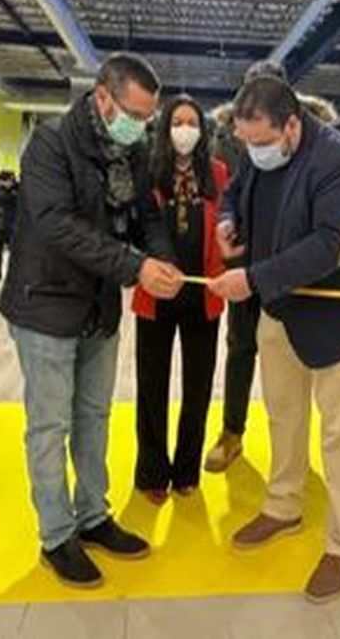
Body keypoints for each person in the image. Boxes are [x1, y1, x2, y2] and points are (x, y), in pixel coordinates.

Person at [0, 54, 186, 590]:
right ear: (103, 98)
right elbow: (58, 224)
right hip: (46, 304)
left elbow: (148, 214)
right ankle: (57, 534)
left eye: (148, 119)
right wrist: (136, 267)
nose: (141, 126)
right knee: (50, 425)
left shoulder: (133, 145)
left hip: (100, 304)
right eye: (134, 113)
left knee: (94, 416)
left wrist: (162, 257)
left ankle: (93, 515)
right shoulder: (51, 143)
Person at [207, 76, 340, 604]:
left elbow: (330, 246)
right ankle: (283, 506)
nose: (253, 152)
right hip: (280, 312)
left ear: (291, 124)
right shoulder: (257, 149)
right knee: (283, 417)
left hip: (337, 319)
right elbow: (237, 189)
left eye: (261, 142)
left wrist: (255, 279)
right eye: (246, 143)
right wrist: (227, 219)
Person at [204, 62, 339, 474]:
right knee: (241, 349)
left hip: (297, 270)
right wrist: (227, 220)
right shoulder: (229, 138)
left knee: (302, 357)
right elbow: (230, 191)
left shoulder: (318, 143)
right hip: (245, 266)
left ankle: (296, 447)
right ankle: (232, 433)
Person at [132, 95, 231, 503]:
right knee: (151, 386)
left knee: (198, 387)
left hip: (202, 297)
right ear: (165, 128)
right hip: (156, 295)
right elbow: (138, 227)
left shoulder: (220, 174)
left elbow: (228, 224)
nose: (185, 130)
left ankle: (187, 470)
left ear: (203, 132)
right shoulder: (147, 172)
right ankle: (152, 473)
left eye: (192, 123)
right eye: (177, 122)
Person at [0, 169, 20, 279]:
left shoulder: (18, 188)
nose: (12, 181)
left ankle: (12, 273)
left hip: (13, 224)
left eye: (12, 179)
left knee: (14, 250)